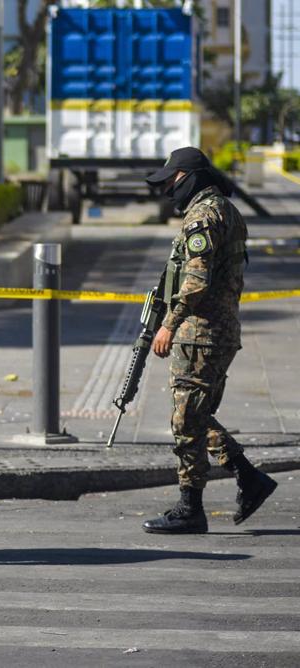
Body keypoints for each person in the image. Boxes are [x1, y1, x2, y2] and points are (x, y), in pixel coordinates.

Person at [141, 146, 276, 534]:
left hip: (201, 332)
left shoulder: (202, 215)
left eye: (172, 181)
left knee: (186, 418)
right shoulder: (226, 210)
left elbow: (196, 280)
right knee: (196, 414)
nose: (168, 190)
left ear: (191, 178)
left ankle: (190, 509)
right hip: (219, 331)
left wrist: (169, 324)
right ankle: (250, 479)